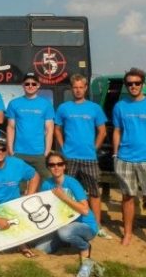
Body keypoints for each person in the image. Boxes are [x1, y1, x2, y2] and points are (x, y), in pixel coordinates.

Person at [54, 74, 110, 239]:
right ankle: (65, 223)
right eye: (75, 87)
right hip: (69, 158)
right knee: (67, 192)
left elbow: (102, 131)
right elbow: (57, 129)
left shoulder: (94, 108)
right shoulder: (64, 107)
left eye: (81, 87)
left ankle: (97, 225)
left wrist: (95, 147)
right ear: (72, 89)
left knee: (93, 193)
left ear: (86, 88)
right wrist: (63, 147)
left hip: (89, 158)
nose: (78, 90)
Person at [0, 137, 40, 257]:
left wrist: (28, 197)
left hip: (14, 207)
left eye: (3, 149)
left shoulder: (17, 163)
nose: (0, 152)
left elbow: (35, 176)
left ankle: (22, 245)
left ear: (7, 150)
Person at [35, 152, 98, 268]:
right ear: (48, 167)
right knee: (40, 249)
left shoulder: (72, 183)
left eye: (59, 164)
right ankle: (65, 241)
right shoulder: (46, 184)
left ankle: (84, 246)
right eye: (52, 165)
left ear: (64, 166)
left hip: (85, 225)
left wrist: (64, 197)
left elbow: (85, 210)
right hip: (61, 224)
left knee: (64, 232)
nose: (56, 167)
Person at [112, 67, 146, 245]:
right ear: (126, 86)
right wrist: (115, 154)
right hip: (125, 158)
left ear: (142, 84)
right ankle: (128, 233)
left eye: (137, 83)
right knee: (127, 197)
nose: (133, 86)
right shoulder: (120, 106)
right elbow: (117, 131)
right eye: (130, 83)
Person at [6, 72, 54, 179]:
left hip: (39, 153)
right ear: (23, 85)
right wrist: (10, 150)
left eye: (33, 83)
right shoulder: (14, 103)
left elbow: (49, 129)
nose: (30, 86)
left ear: (38, 85)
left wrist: (46, 152)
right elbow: (10, 127)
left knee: (46, 182)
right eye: (27, 84)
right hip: (19, 153)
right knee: (19, 185)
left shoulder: (46, 104)